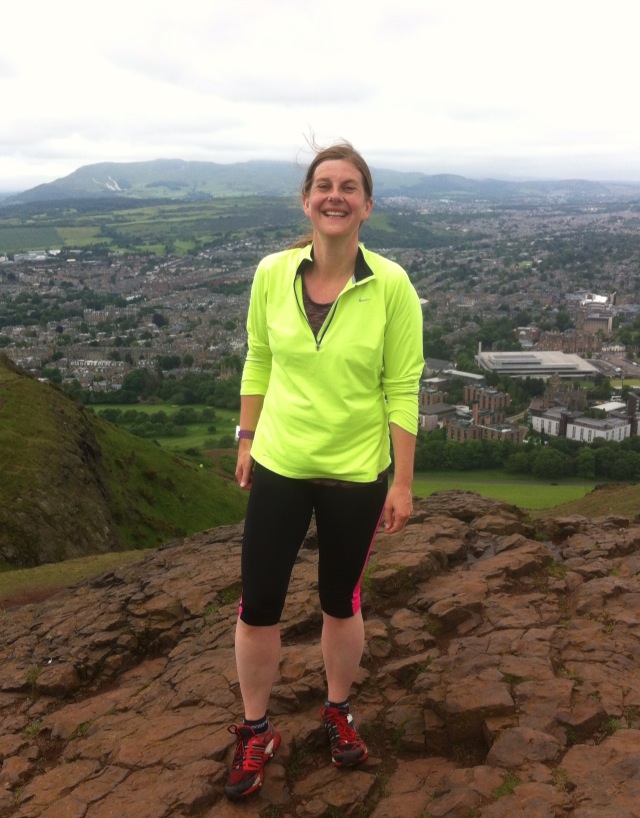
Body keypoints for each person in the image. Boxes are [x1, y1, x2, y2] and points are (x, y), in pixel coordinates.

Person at [225, 140, 425, 800]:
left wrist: (401, 481)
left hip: (355, 472)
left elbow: (403, 385)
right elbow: (259, 360)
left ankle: (337, 709)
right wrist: (247, 436)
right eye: (323, 185)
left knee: (341, 599)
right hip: (281, 461)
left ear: (367, 206)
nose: (334, 195)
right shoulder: (270, 274)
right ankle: (256, 727)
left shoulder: (390, 284)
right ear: (306, 200)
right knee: (259, 605)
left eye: (348, 187)